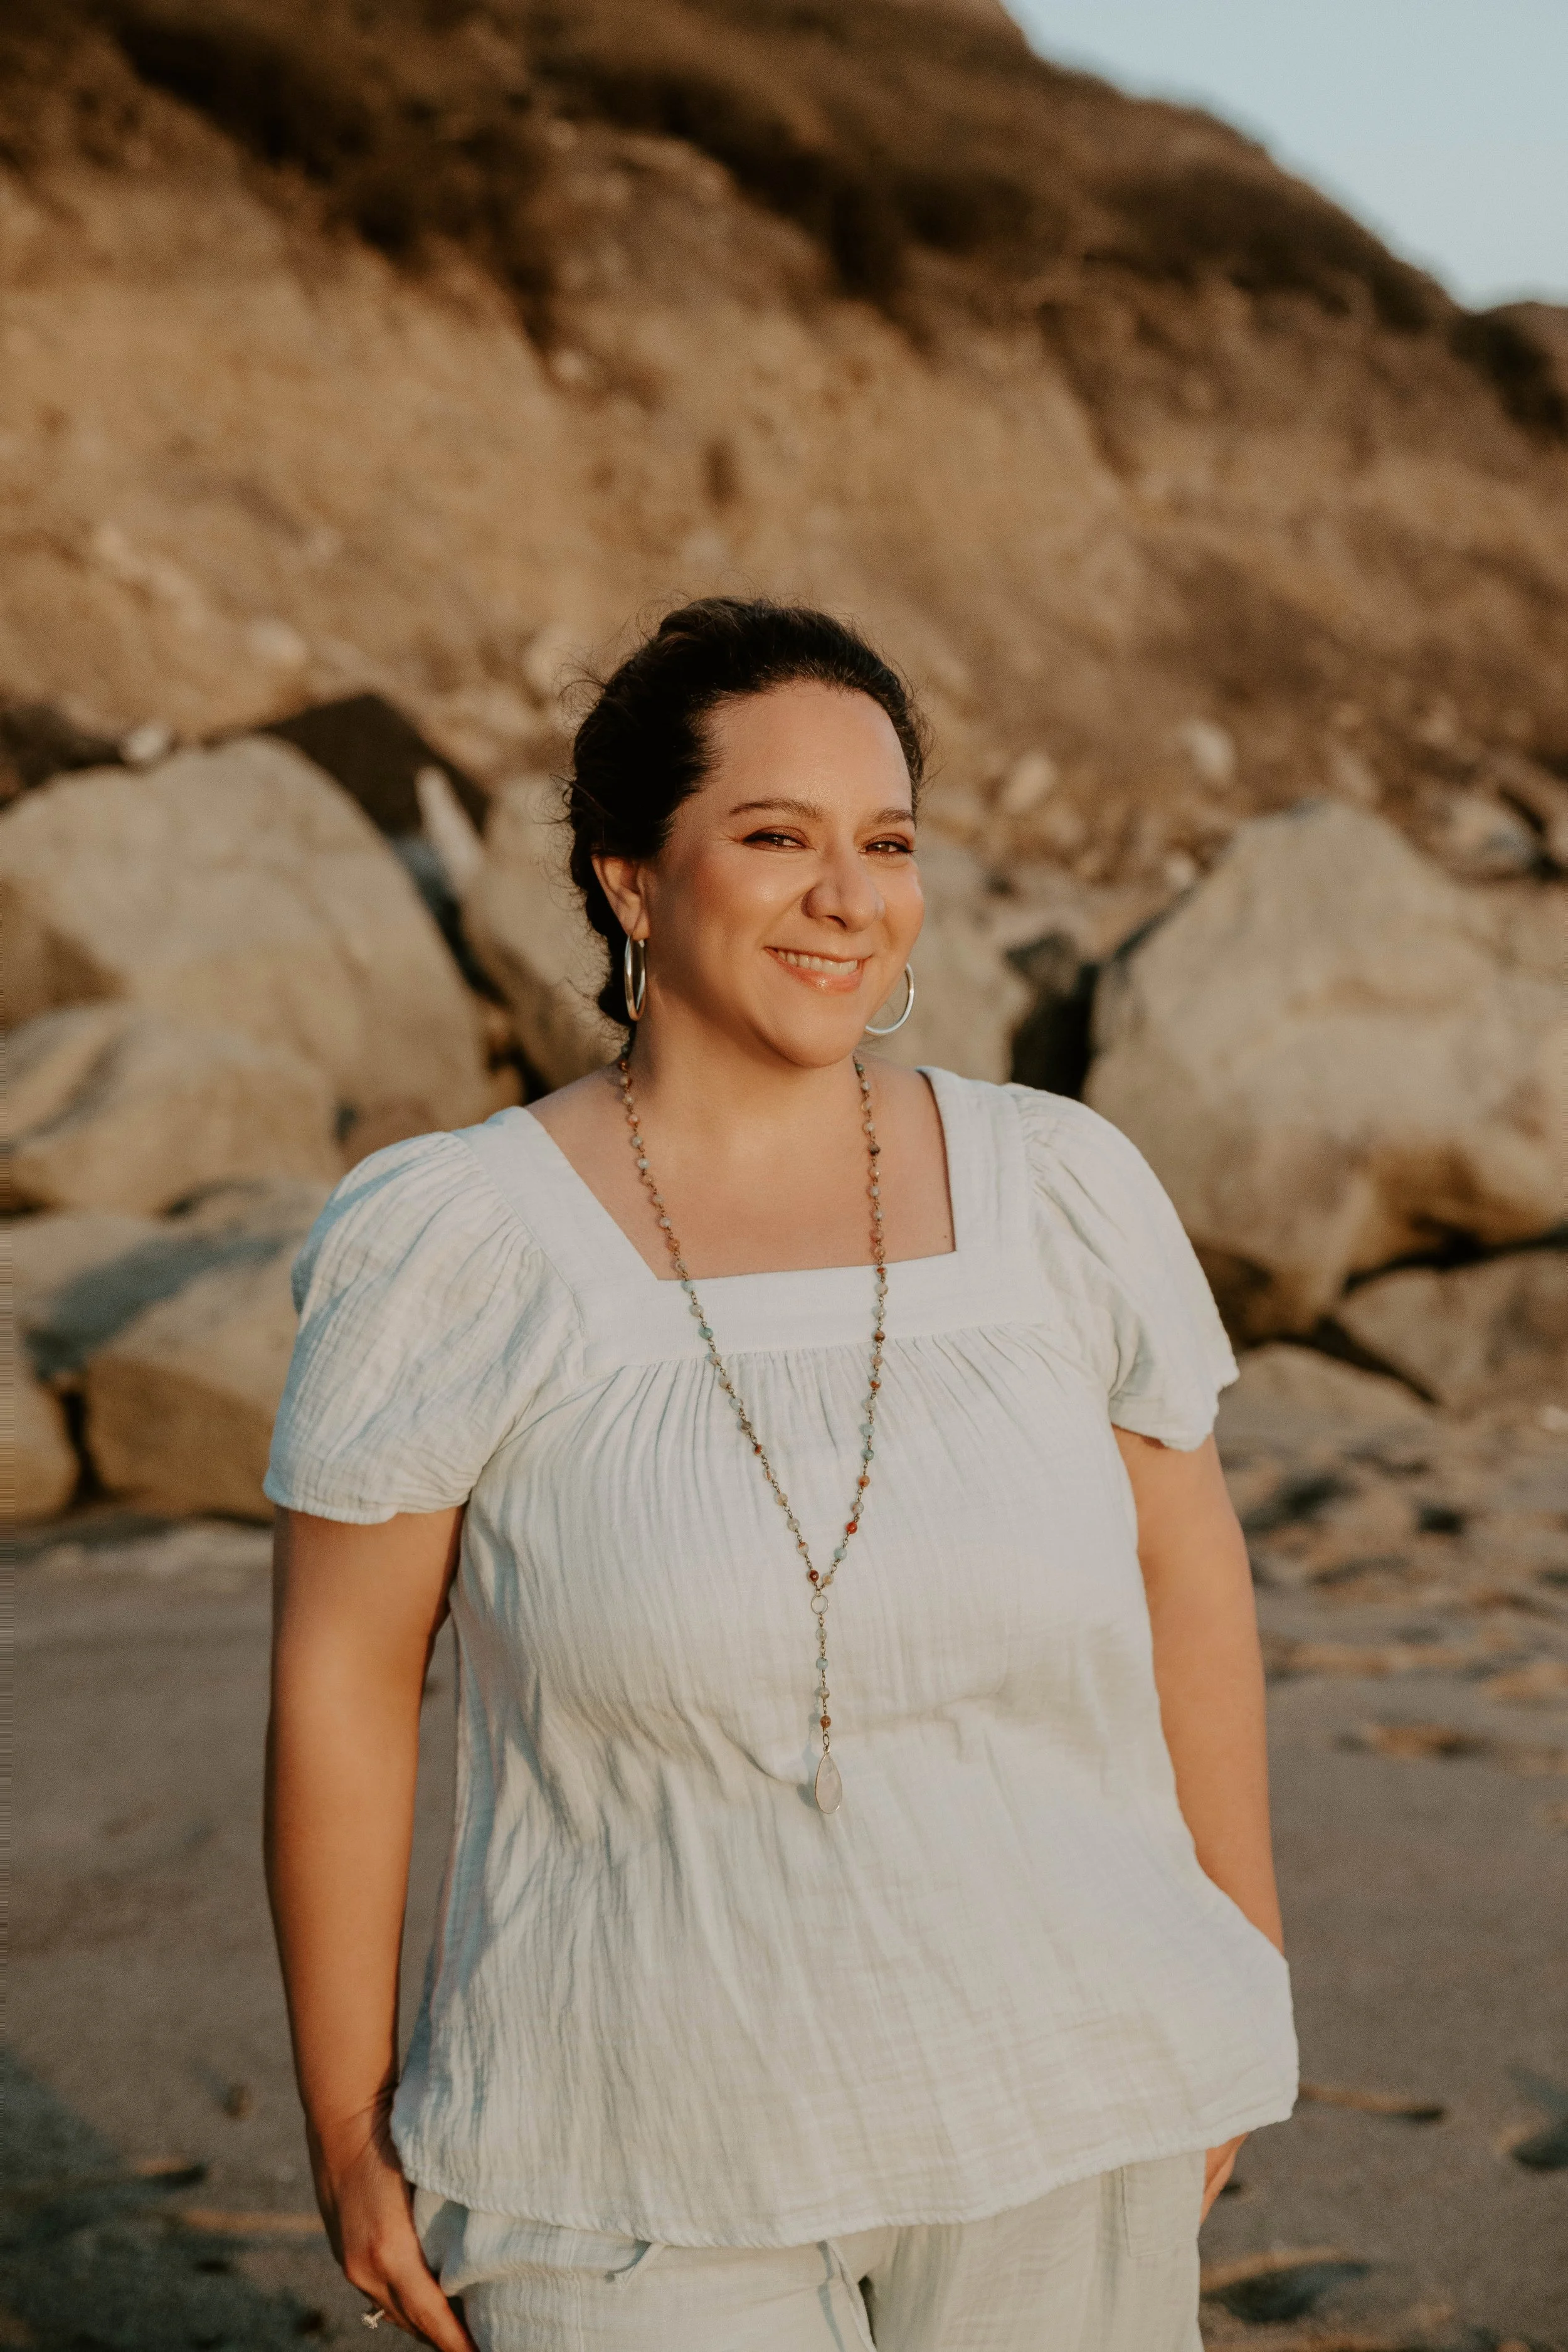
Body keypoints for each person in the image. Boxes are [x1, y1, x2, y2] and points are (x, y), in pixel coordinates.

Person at [264, 597, 1296, 2352]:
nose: (848, 896)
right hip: (622, 2159)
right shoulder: (457, 1239)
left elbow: (1187, 1584)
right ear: (629, 882)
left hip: (1064, 2103)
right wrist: (348, 2126)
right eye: (775, 836)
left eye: (885, 842)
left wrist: (1230, 1993)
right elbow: (345, 1684)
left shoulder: (1058, 1186)